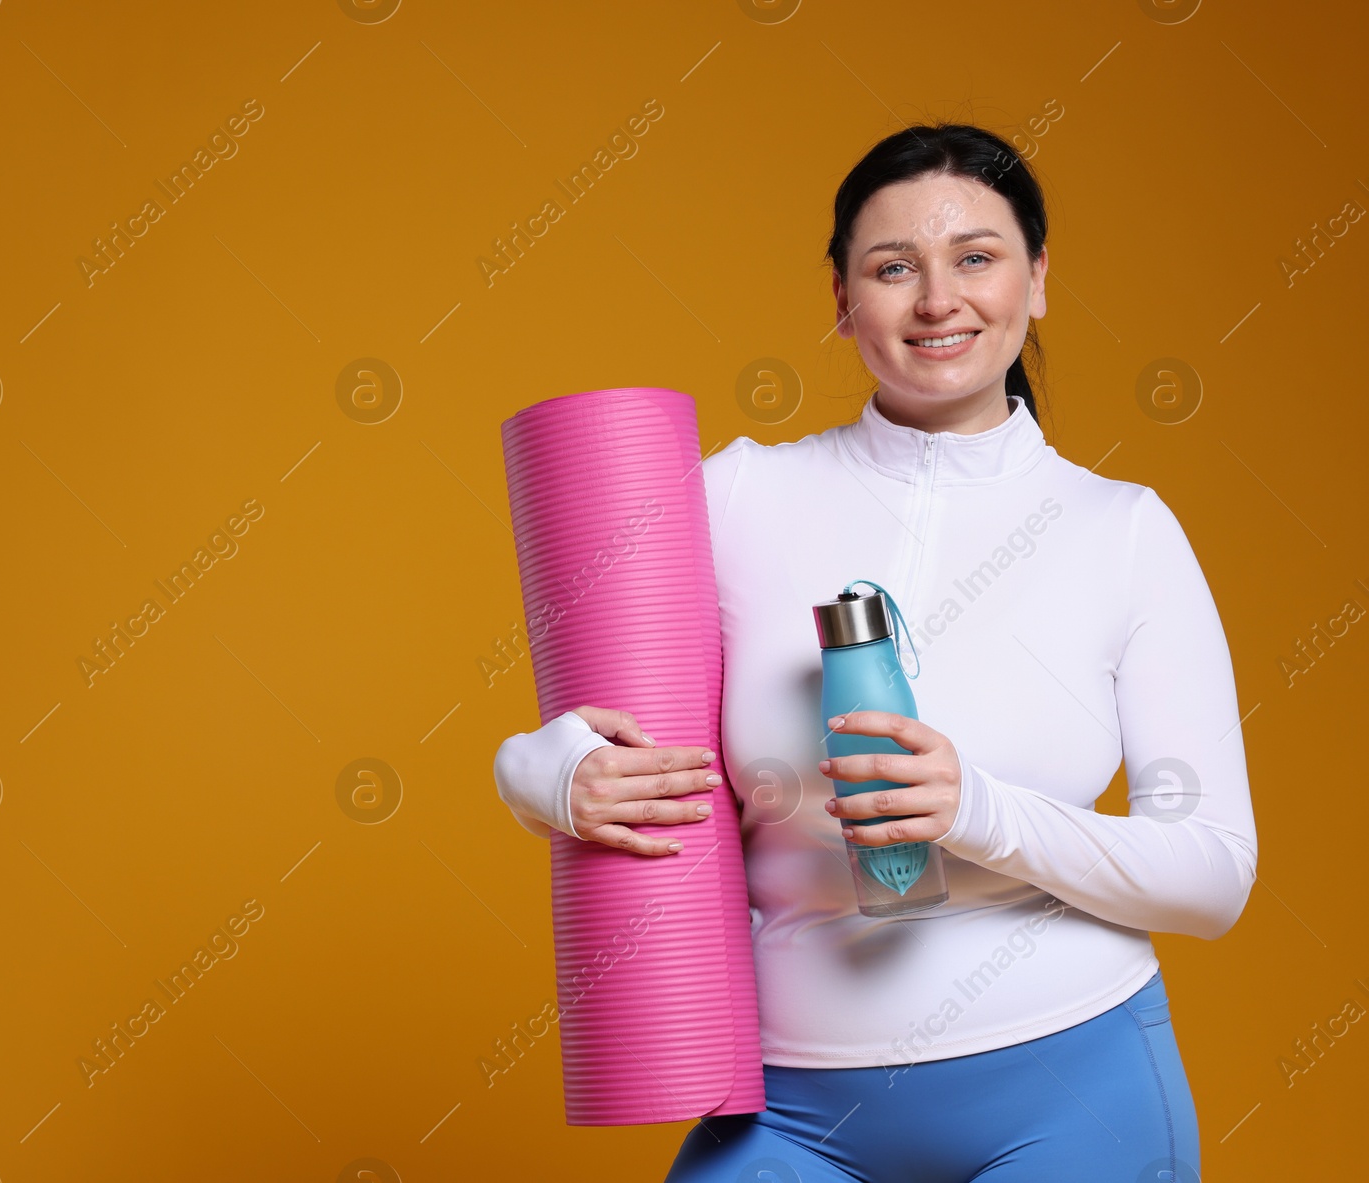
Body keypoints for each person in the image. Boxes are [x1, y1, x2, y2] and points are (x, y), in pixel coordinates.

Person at [492, 122, 1256, 1183]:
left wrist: (975, 811)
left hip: (1070, 1093)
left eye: (976, 258)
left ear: (1036, 281)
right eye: (894, 267)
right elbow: (584, 734)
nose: (938, 299)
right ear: (843, 301)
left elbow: (1213, 874)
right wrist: (545, 774)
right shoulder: (734, 495)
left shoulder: (1121, 531)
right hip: (790, 1105)